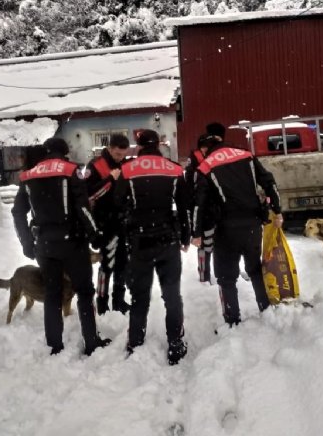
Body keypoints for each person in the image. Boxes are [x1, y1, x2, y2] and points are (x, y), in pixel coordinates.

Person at [11, 137, 110, 356]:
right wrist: (95, 236)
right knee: (84, 292)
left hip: (44, 245)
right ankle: (91, 342)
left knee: (52, 294)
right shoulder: (71, 170)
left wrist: (27, 243)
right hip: (73, 243)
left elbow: (17, 212)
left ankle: (54, 345)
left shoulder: (29, 175)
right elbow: (83, 209)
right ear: (65, 153)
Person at [192, 123, 283, 327]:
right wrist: (277, 209)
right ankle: (265, 308)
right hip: (252, 224)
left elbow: (199, 203)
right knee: (254, 268)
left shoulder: (205, 166)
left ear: (206, 148)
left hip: (226, 229)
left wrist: (196, 232)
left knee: (226, 277)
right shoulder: (245, 155)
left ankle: (232, 321)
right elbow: (269, 181)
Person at [113, 129, 191, 365]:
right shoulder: (174, 168)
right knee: (172, 296)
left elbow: (117, 204)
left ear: (138, 146)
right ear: (159, 144)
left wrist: (128, 225)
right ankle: (175, 345)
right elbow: (185, 206)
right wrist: (185, 236)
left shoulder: (128, 170)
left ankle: (135, 342)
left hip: (140, 241)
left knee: (140, 296)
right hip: (168, 240)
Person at [85, 133, 131, 315]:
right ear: (110, 148)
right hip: (104, 222)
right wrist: (110, 179)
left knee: (123, 262)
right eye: (118, 154)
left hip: (123, 221)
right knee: (106, 264)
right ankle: (102, 302)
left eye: (123, 154)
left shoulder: (126, 164)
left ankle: (119, 300)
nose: (121, 157)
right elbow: (89, 195)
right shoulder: (95, 166)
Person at [184, 134, 214, 282]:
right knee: (204, 245)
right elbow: (189, 186)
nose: (207, 151)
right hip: (200, 207)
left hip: (213, 208)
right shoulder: (193, 163)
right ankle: (204, 276)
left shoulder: (211, 158)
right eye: (205, 148)